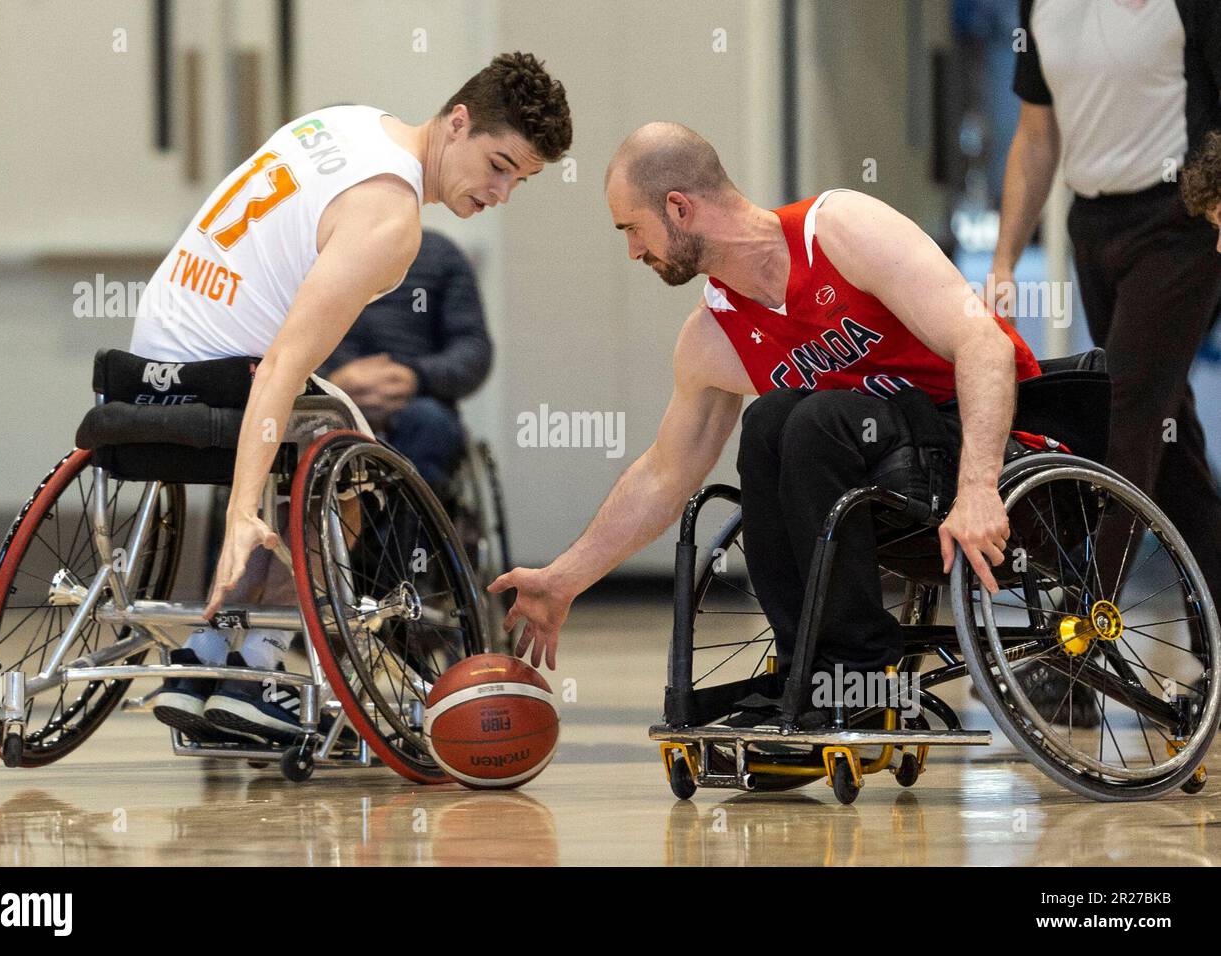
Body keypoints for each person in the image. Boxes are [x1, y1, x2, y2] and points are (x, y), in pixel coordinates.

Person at [491, 123, 1040, 720]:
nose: (632, 251)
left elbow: (985, 346)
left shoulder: (840, 230)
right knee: (770, 421)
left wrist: (980, 486)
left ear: (678, 208)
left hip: (982, 444)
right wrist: (565, 578)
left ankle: (863, 673)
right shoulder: (712, 336)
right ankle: (809, 671)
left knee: (815, 421)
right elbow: (664, 476)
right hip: (875, 479)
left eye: (631, 228)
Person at [127, 52, 572, 744]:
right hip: (223, 371)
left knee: (334, 424)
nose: (502, 193)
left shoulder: (349, 122)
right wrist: (243, 509)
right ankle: (262, 664)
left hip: (150, 351)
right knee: (350, 466)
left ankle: (204, 658)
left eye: (522, 179)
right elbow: (281, 363)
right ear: (457, 123)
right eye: (499, 165)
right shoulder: (392, 224)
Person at [991, 0, 1221, 724]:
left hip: (1180, 221)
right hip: (1092, 227)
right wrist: (1004, 258)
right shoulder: (1042, 6)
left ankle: (1078, 653)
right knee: (1167, 445)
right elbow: (1036, 137)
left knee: (1121, 419)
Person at [319, 229, 492, 493]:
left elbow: (473, 349)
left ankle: (408, 531)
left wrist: (415, 376)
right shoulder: (313, 251)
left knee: (429, 421)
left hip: (416, 402)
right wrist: (332, 383)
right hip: (327, 401)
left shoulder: (441, 255)